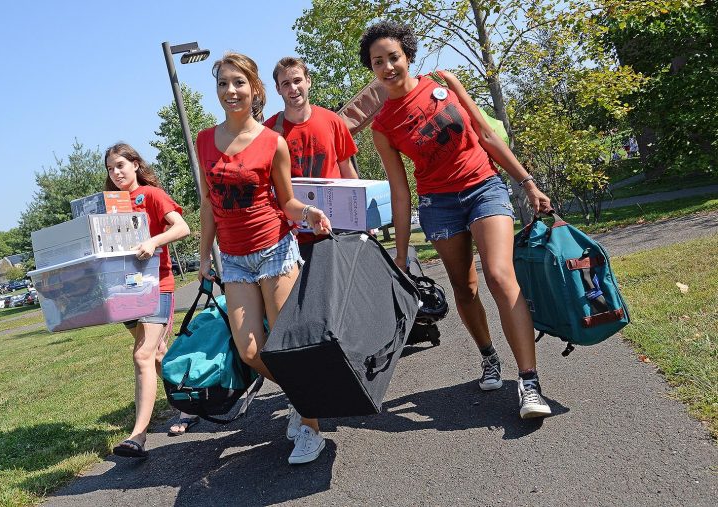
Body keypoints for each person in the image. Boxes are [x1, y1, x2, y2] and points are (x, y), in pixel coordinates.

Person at [360, 21, 554, 419]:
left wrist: (527, 183)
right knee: (465, 289)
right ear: (372, 70)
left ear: (407, 55)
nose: (388, 67)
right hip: (439, 205)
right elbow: (400, 192)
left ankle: (529, 382)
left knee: (500, 275)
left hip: (485, 187)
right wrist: (400, 251)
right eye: (378, 62)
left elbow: (486, 134)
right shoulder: (382, 126)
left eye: (393, 57)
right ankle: (488, 356)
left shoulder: (443, 81)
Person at [195, 52, 332, 464]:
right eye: (222, 83)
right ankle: (304, 396)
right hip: (234, 259)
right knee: (251, 350)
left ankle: (311, 427)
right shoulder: (204, 140)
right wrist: (204, 255)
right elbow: (207, 203)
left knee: (287, 346)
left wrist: (308, 212)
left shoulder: (273, 142)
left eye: (238, 83)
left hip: (274, 248)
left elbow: (286, 201)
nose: (230, 91)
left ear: (254, 89)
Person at [104, 143, 191, 458]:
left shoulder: (151, 195)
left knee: (141, 354)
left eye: (121, 165)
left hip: (157, 285)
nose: (116, 172)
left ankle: (137, 437)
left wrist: (153, 241)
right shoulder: (110, 206)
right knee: (156, 354)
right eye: (111, 168)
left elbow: (183, 227)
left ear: (135, 165)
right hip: (125, 291)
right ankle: (188, 403)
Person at [264, 57, 359, 249]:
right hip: (293, 235)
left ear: (308, 81)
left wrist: (359, 217)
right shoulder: (268, 132)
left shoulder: (333, 121)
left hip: (336, 229)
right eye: (286, 84)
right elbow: (266, 187)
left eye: (297, 80)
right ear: (278, 89)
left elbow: (347, 171)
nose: (293, 88)